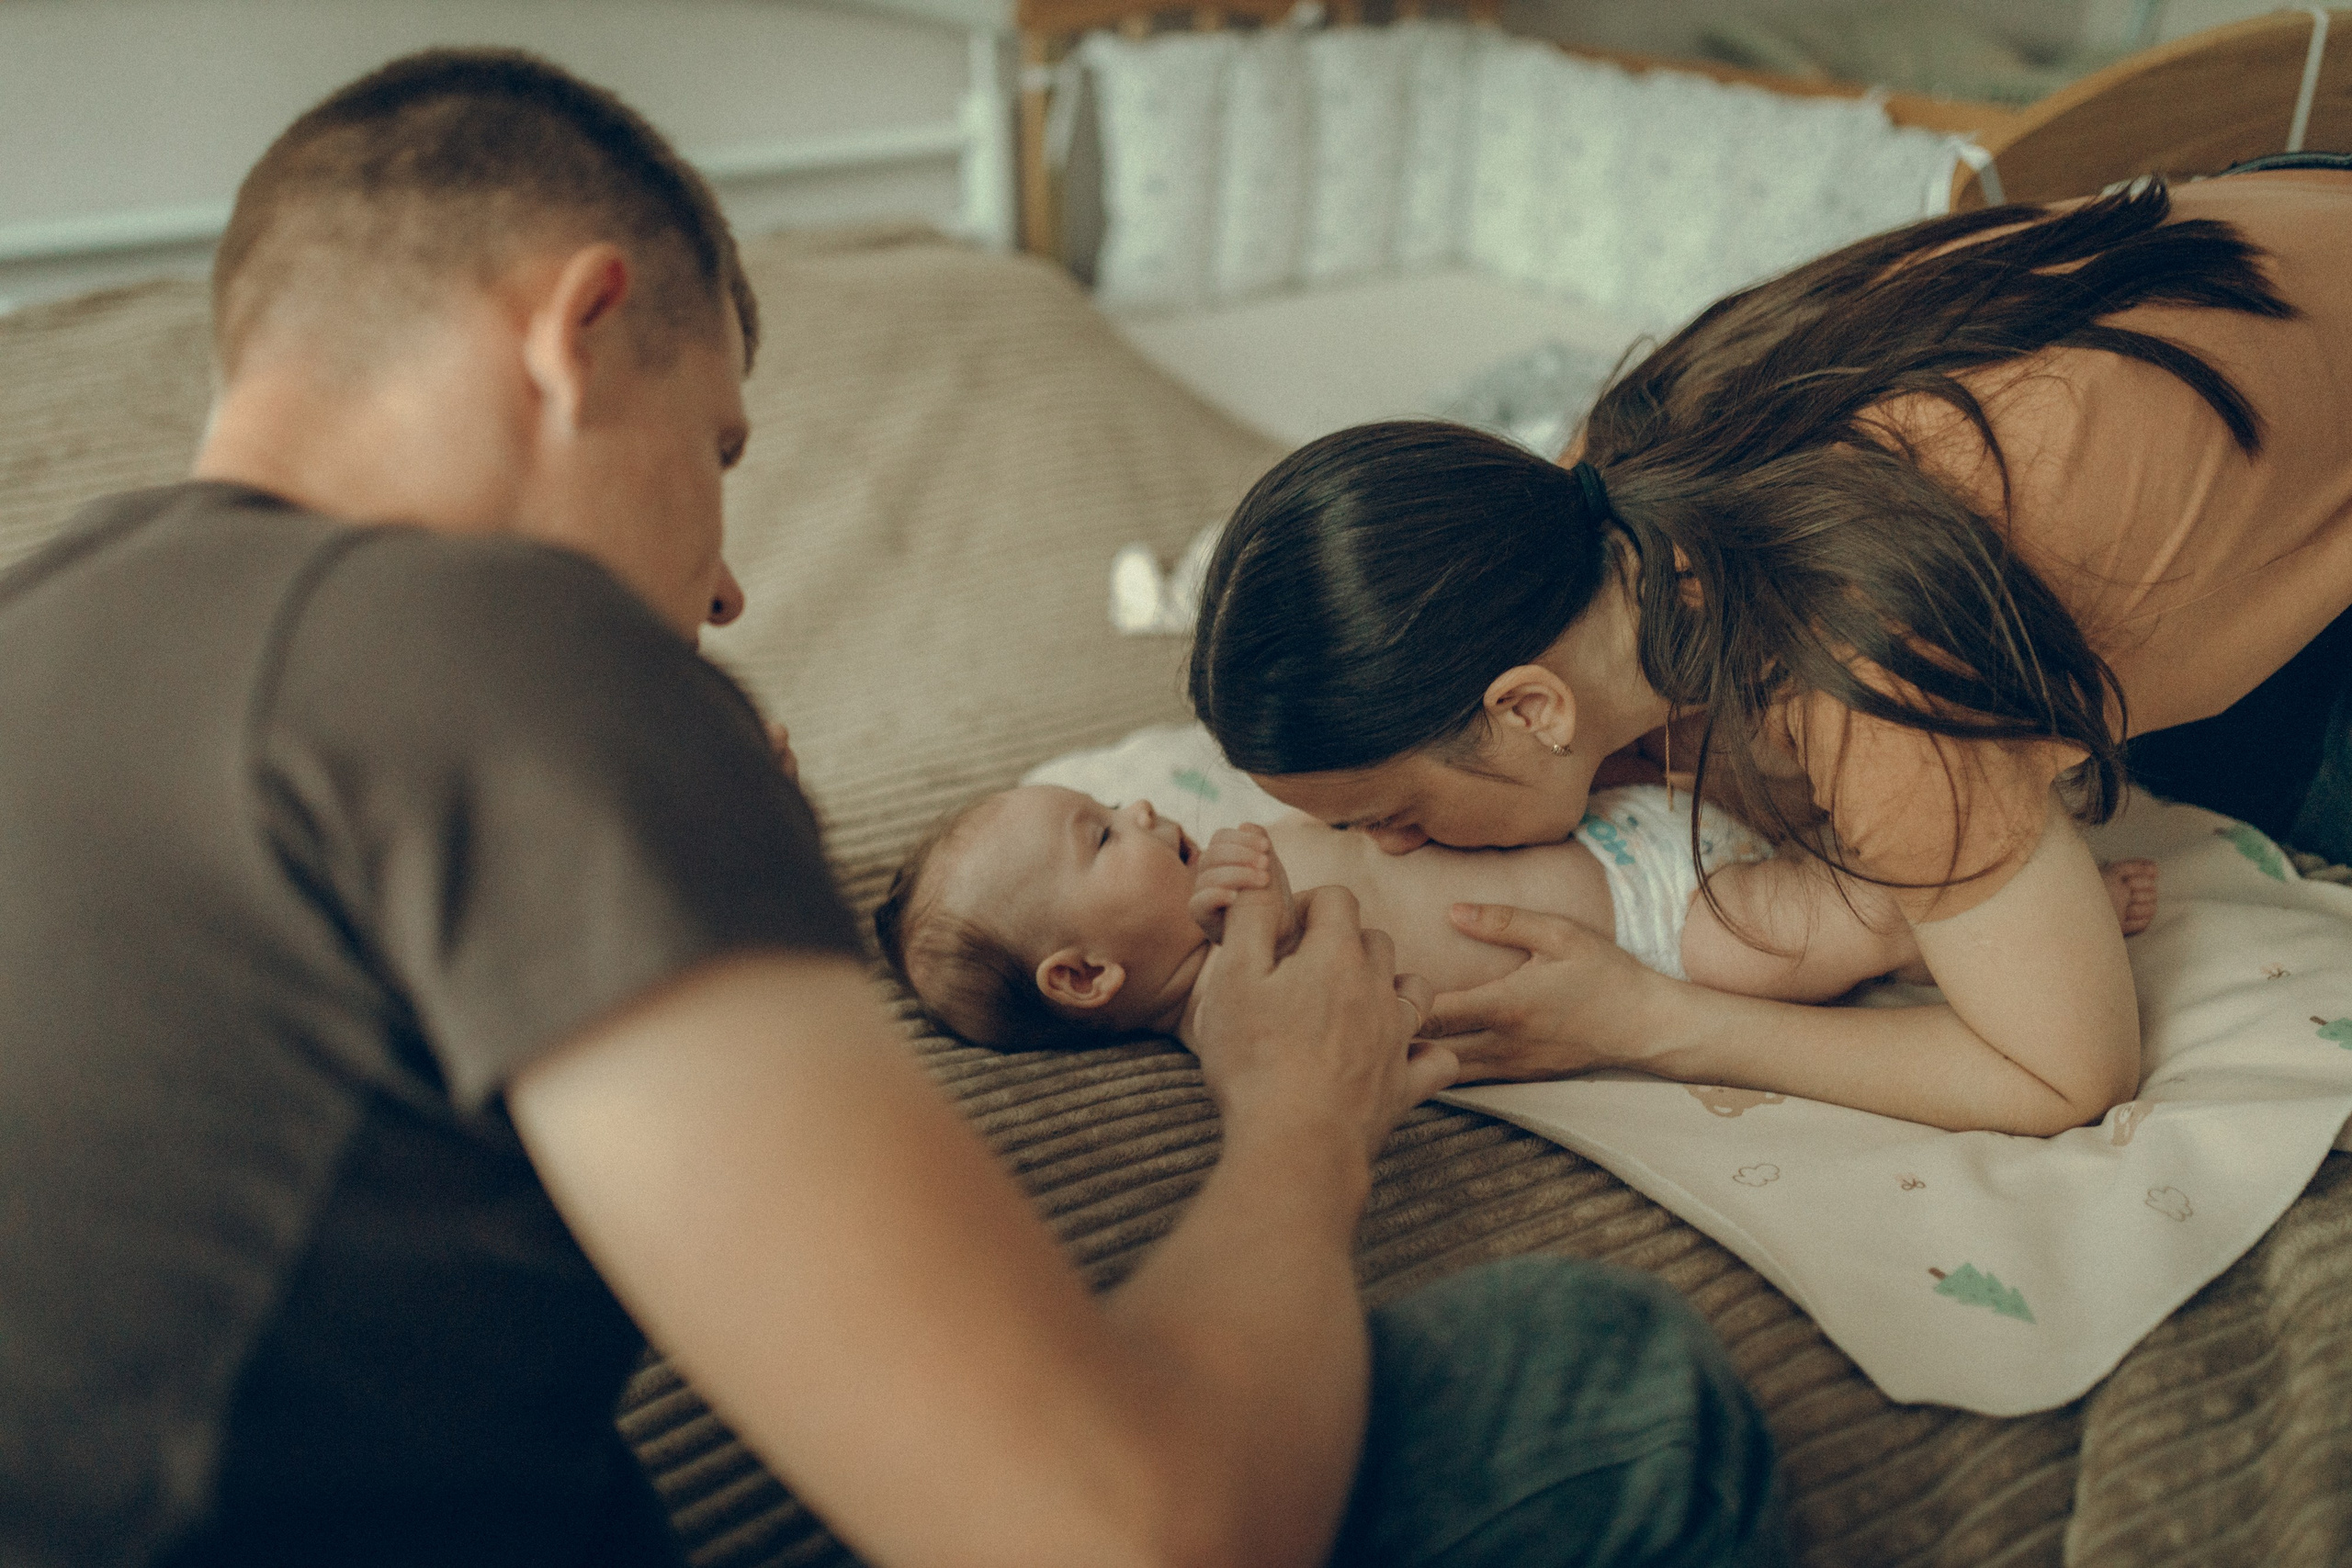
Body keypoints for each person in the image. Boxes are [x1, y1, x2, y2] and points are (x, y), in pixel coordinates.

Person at [0, 49, 1792, 1568]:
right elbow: (1111, 1530)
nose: (722, 600)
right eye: (716, 458)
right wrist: (1296, 1114)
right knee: (1602, 1379)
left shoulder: (51, 619)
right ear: (577, 331)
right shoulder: (497, 630)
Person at [1190, 166, 2352, 1139]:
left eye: (1387, 812)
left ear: (1531, 709)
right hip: (2284, 212)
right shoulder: (1612, 464)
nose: (1391, 850)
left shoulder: (1860, 656)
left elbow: (2064, 1078)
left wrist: (1641, 1019)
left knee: (2232, 778)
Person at [874, 783, 2158, 1049]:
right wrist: (1258, 909)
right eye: (1102, 833)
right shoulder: (1232, 1010)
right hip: (1660, 922)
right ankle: (2029, 908)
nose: (1142, 805)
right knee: (1851, 916)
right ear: (1089, 974)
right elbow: (1366, 1026)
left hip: (1612, 823)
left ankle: (1972, 827)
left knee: (1822, 798)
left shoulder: (1219, 867)